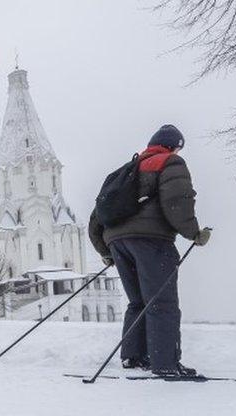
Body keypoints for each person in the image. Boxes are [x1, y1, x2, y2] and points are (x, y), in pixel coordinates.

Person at [88, 124, 212, 377]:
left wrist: (106, 250)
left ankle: (133, 357)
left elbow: (96, 217)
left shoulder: (125, 170)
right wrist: (195, 233)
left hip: (117, 242)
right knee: (162, 302)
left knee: (138, 302)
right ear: (174, 145)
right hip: (151, 240)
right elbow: (177, 201)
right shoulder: (170, 162)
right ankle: (165, 363)